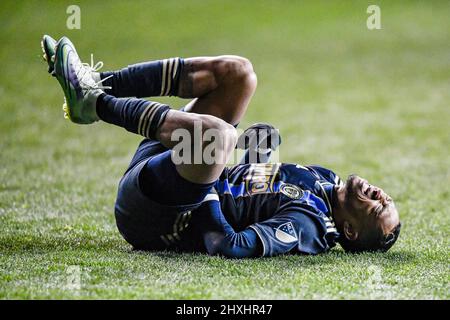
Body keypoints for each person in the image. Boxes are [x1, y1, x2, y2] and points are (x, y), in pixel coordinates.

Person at [41, 35, 401, 258]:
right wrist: (258, 158)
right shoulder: (327, 181)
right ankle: (96, 82)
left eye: (376, 209)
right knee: (240, 74)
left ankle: (95, 104)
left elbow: (225, 243)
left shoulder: (309, 228)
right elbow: (256, 197)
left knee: (217, 137)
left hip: (158, 217)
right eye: (388, 201)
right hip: (168, 168)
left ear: (350, 231)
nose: (382, 196)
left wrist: (210, 186)